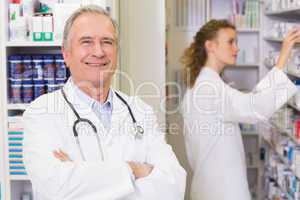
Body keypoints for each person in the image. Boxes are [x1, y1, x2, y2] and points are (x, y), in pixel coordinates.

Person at [23, 5, 186, 200]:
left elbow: (173, 186)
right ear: (66, 54)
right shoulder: (41, 113)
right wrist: (134, 169)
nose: (99, 52)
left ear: (116, 51)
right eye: (86, 42)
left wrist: (81, 174)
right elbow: (55, 188)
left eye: (107, 42)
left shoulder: (140, 111)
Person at [181, 19, 300, 200]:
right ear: (210, 46)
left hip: (211, 184)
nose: (236, 48)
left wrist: (279, 67)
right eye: (230, 42)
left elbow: (250, 101)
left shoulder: (205, 83)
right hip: (221, 190)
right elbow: (255, 108)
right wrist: (282, 58)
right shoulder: (208, 88)